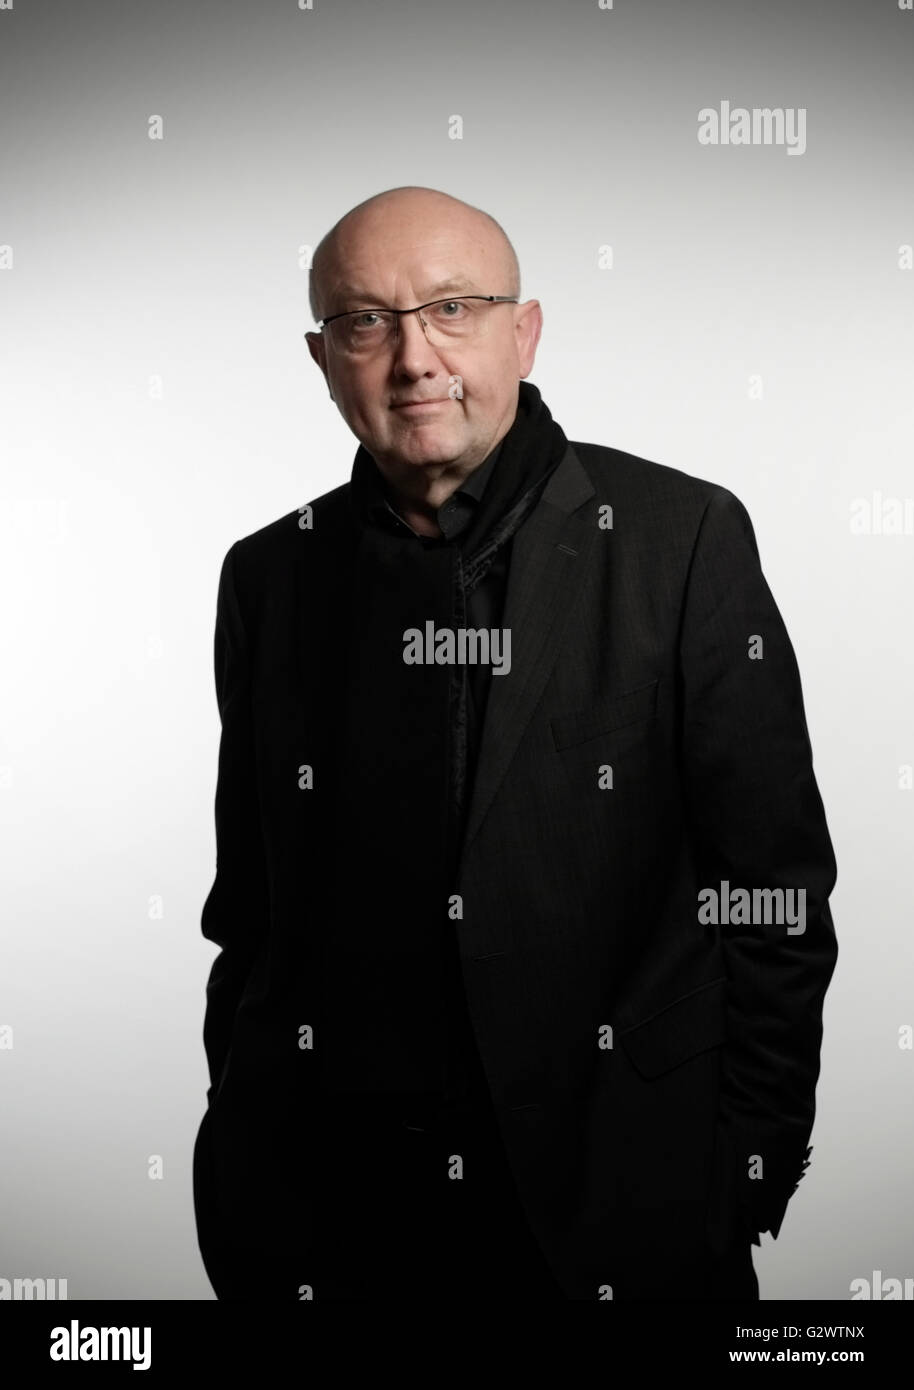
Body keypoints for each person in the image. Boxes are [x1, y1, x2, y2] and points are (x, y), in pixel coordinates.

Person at [192, 184, 838, 1301]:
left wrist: (746, 1158)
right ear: (321, 356)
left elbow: (769, 891)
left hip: (612, 1201)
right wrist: (238, 1132)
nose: (412, 357)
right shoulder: (269, 573)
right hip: (328, 1220)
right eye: (366, 321)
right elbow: (251, 907)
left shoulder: (677, 540)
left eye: (451, 308)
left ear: (522, 331)